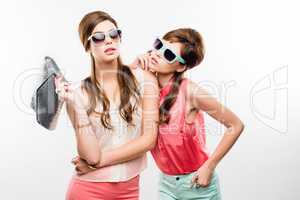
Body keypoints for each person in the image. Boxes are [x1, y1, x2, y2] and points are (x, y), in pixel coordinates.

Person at [129, 28, 245, 199]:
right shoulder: (146, 87)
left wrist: (209, 166)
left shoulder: (189, 91)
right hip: (166, 185)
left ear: (181, 66)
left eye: (168, 54)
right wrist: (133, 67)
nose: (157, 54)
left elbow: (235, 125)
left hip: (197, 184)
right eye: (159, 45)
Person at [55, 10, 159, 200]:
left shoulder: (145, 80)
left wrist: (100, 162)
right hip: (88, 189)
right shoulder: (76, 93)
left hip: (130, 190)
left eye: (114, 34)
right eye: (99, 37)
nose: (109, 41)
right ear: (87, 46)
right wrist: (76, 106)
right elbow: (91, 156)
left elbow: (149, 140)